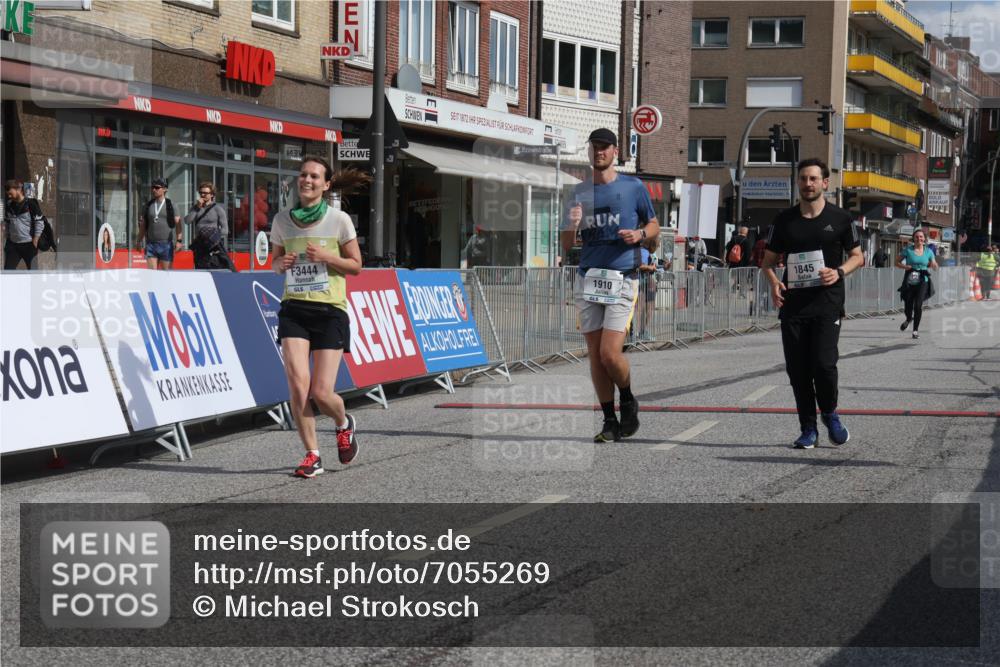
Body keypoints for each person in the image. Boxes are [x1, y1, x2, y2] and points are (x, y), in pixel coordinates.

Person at [271, 158, 369, 478]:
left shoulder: (338, 220)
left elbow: (356, 266)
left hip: (330, 312)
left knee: (321, 393)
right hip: (294, 309)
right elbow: (273, 262)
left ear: (326, 185)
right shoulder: (282, 220)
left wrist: (327, 256)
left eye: (314, 176)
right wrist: (281, 263)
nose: (307, 180)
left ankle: (343, 423)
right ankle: (312, 455)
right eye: (303, 174)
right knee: (298, 386)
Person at [561, 128, 659, 443]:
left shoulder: (633, 187)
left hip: (622, 277)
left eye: (605, 147)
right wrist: (572, 226)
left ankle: (628, 398)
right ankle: (608, 419)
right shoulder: (577, 192)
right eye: (595, 147)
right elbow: (565, 244)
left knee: (609, 354)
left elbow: (654, 224)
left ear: (615, 151)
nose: (599, 152)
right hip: (589, 278)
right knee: (594, 355)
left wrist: (640, 236)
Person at [761, 158, 864, 450]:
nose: (808, 184)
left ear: (825, 183)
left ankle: (829, 412)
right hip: (794, 305)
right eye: (803, 179)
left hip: (827, 303)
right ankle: (808, 428)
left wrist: (840, 271)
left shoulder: (841, 218)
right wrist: (773, 282)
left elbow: (858, 256)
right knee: (798, 370)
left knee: (824, 364)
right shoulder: (784, 220)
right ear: (798, 182)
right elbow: (767, 262)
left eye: (813, 179)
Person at [896, 229, 938, 338]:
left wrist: (934, 265)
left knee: (918, 305)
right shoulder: (908, 250)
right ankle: (909, 318)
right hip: (910, 279)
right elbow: (897, 262)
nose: (919, 239)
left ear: (924, 239)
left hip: (923, 280)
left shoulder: (928, 251)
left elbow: (933, 262)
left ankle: (915, 331)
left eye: (921, 237)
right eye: (917, 237)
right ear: (913, 238)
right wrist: (905, 267)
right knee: (908, 305)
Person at [185, 182, 233, 270]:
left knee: (213, 267)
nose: (202, 195)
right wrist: (197, 208)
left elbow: (225, 230)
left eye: (205, 193)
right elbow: (187, 221)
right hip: (199, 245)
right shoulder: (195, 208)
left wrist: (212, 235)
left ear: (212, 195)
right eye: (201, 192)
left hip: (213, 246)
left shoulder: (218, 209)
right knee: (200, 269)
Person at [137, 178, 181, 270]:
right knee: (152, 275)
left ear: (165, 189)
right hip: (151, 244)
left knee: (166, 274)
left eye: (157, 188)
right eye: (152, 187)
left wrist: (179, 241)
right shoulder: (148, 205)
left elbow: (178, 224)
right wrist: (139, 241)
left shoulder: (171, 205)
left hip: (166, 244)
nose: (154, 190)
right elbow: (143, 225)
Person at [3, 179, 44, 270]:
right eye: (8, 194)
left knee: (33, 273)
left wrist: (35, 240)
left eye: (11, 193)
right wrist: (7, 236)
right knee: (8, 273)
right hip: (13, 245)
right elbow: (7, 222)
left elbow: (40, 222)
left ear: (18, 189)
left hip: (29, 244)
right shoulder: (9, 205)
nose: (9, 196)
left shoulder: (31, 204)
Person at [636, 237, 660, 341]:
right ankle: (640, 333)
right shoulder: (644, 252)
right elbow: (641, 266)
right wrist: (651, 268)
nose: (658, 247)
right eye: (657, 245)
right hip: (644, 283)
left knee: (645, 309)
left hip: (647, 283)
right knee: (645, 309)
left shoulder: (644, 252)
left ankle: (641, 332)